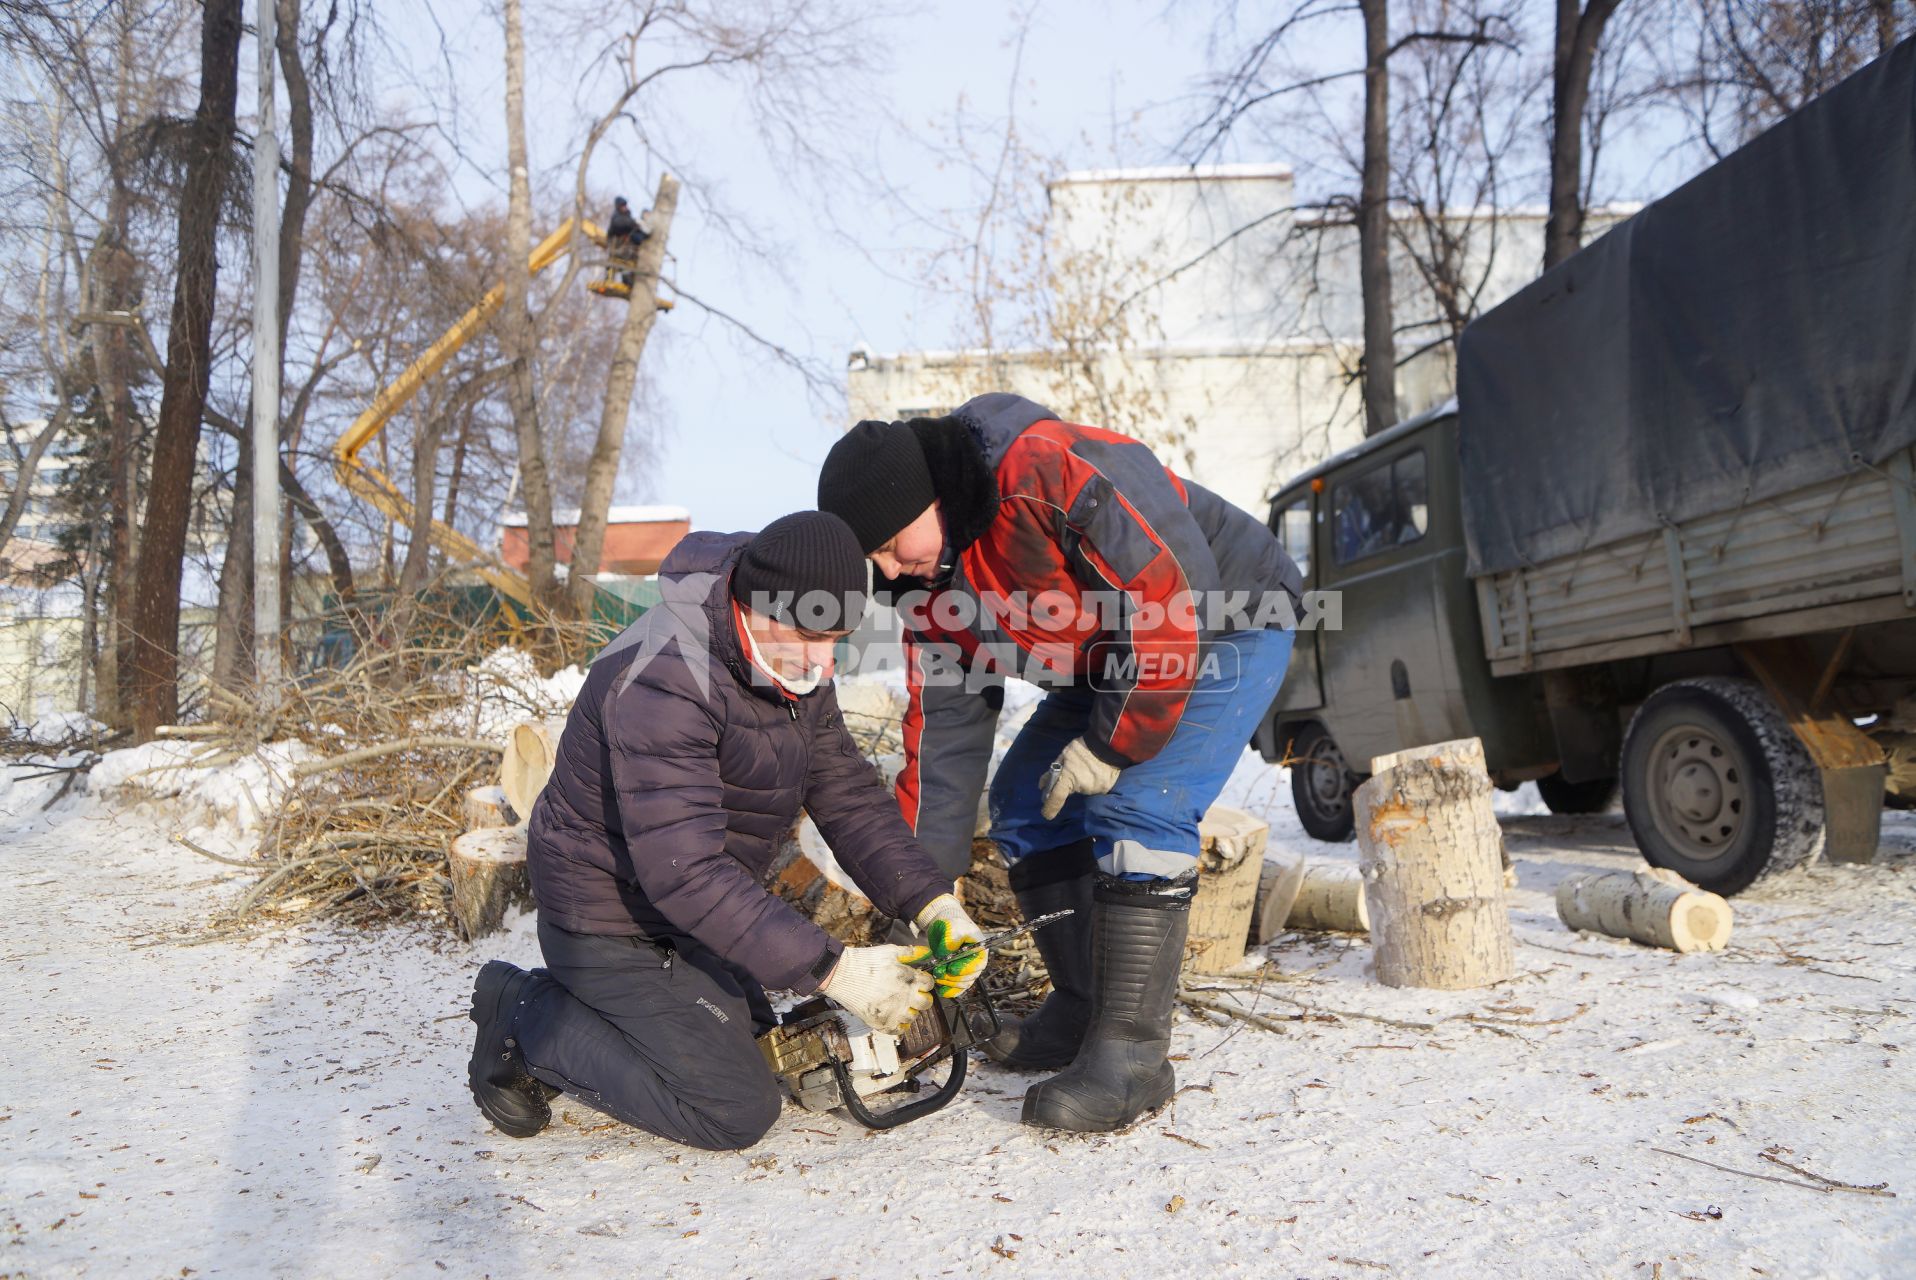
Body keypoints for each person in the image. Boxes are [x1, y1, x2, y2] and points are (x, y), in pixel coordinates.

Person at [817, 394, 1302, 1134]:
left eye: (889, 543)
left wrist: (1114, 744)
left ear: (930, 497)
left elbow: (1169, 593)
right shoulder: (925, 583)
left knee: (1140, 806)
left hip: (1223, 618)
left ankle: (1135, 1058)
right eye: (872, 558)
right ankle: (1083, 1007)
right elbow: (942, 733)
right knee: (1024, 804)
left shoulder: (1041, 468)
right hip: (1113, 661)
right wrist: (921, 894)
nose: (888, 569)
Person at [466, 511, 987, 1152]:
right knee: (734, 1107)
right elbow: (683, 871)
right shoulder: (665, 676)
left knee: (763, 1038)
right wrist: (834, 969)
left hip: (684, 916)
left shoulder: (786, 664)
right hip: (606, 918)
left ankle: (625, 1010)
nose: (823, 662)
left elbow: (848, 797)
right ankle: (526, 1011)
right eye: (807, 632)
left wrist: (931, 901)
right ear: (755, 601)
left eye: (839, 639)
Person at [604, 195, 648, 287]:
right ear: (618, 207)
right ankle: (609, 279)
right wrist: (633, 223)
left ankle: (628, 280)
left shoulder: (628, 217)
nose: (625, 207)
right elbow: (619, 224)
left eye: (625, 205)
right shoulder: (617, 217)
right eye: (622, 206)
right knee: (613, 263)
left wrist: (642, 230)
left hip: (627, 249)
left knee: (629, 262)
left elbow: (636, 232)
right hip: (617, 246)